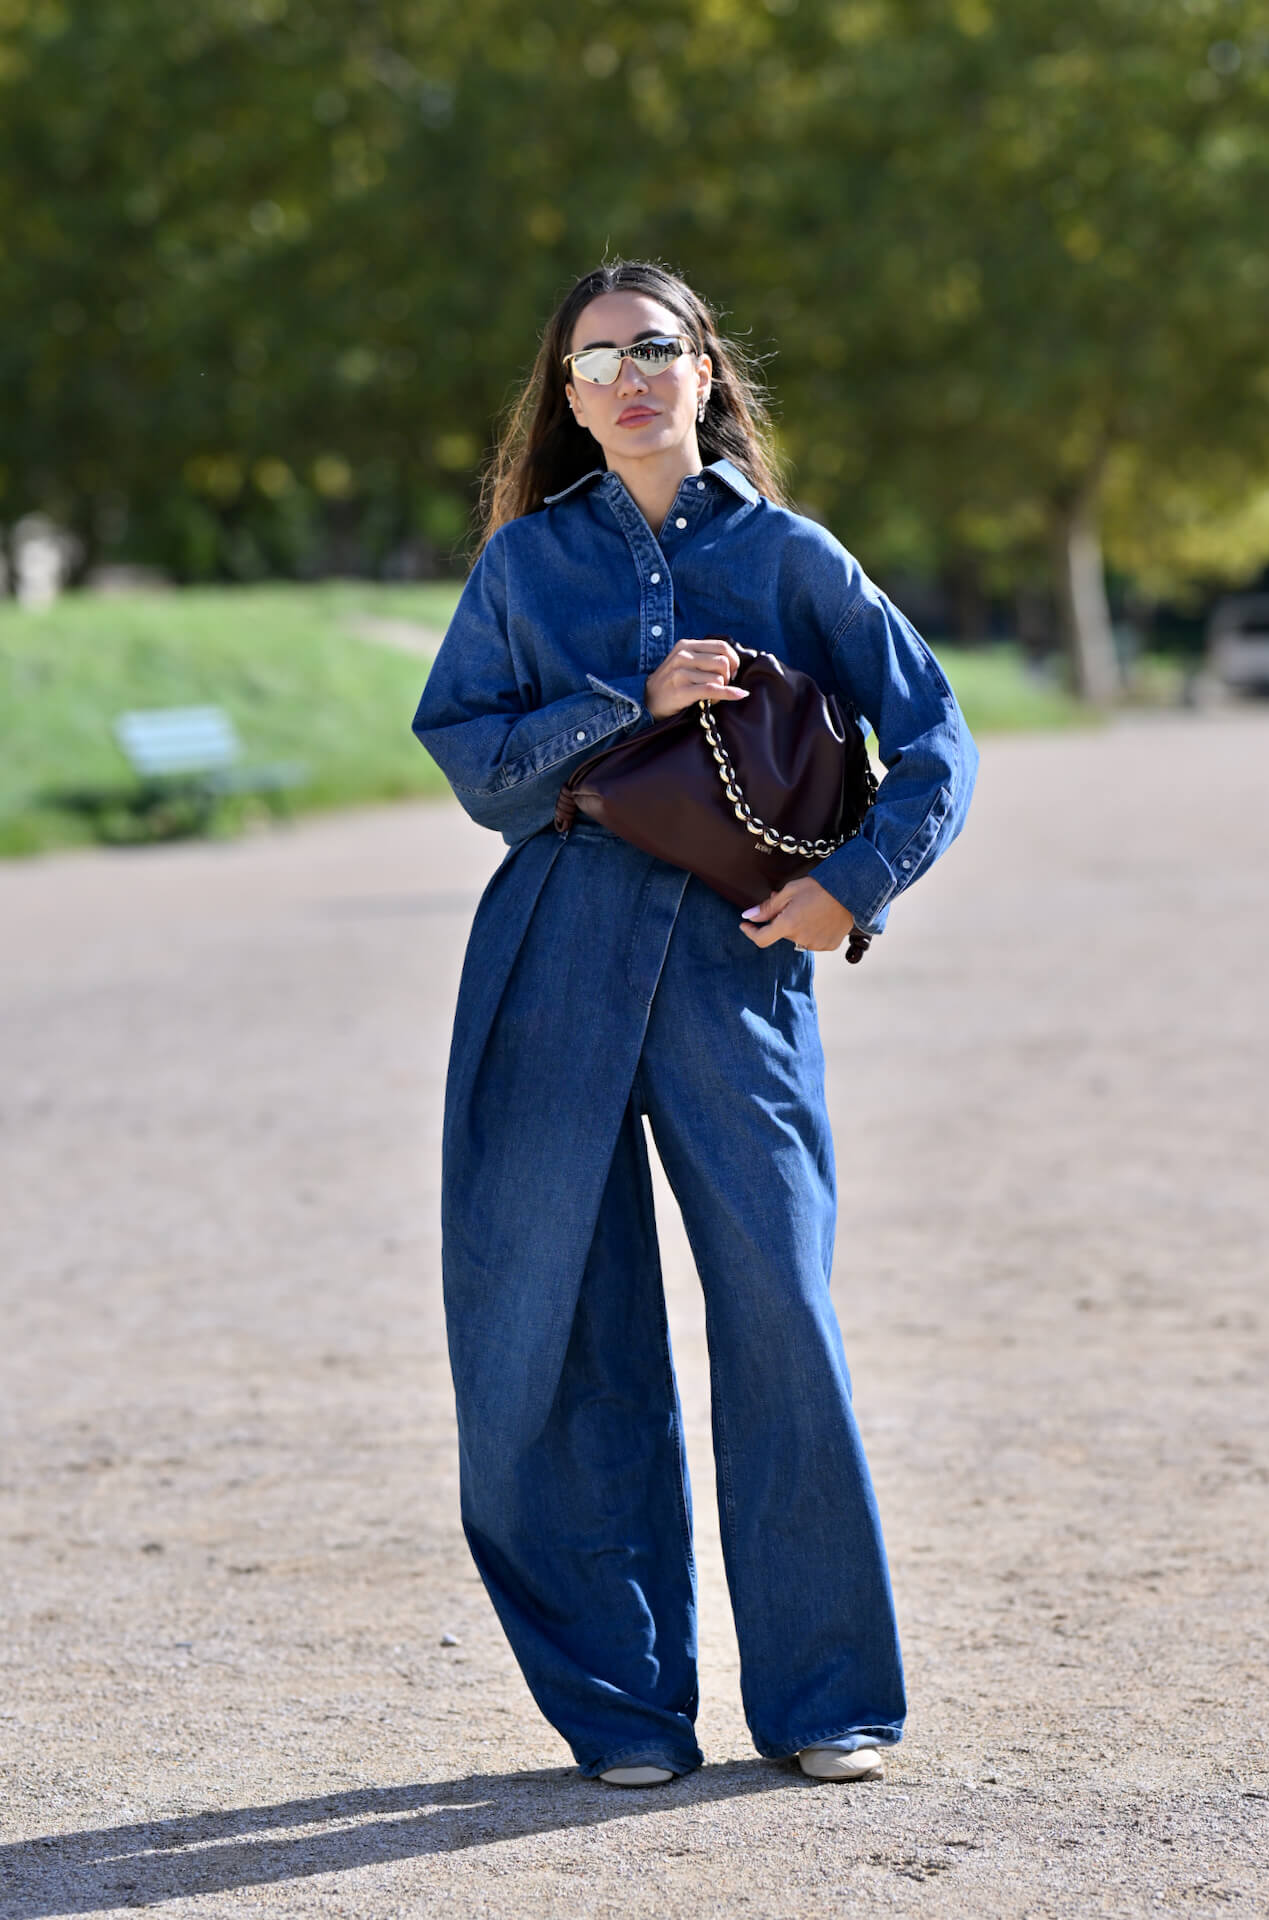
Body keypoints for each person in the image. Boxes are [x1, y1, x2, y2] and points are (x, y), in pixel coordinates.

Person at [411, 260, 977, 1789]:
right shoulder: (526, 565)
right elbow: (474, 763)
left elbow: (936, 736)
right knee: (553, 1331)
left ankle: (827, 1696)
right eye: (598, 360)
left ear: (707, 370)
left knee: (782, 1310)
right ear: (568, 396)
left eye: (655, 348)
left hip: (740, 971)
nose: (632, 378)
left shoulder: (790, 554)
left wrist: (853, 886)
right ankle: (623, 1710)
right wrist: (629, 700)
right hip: (550, 963)